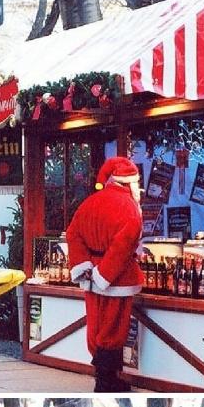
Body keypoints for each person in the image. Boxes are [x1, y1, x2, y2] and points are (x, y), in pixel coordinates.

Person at [66, 157, 144, 393]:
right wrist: (105, 274)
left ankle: (102, 376)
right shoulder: (130, 207)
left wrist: (86, 266)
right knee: (114, 327)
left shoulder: (89, 203)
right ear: (129, 183)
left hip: (91, 275)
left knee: (96, 324)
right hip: (117, 277)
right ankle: (107, 380)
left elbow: (73, 234)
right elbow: (123, 245)